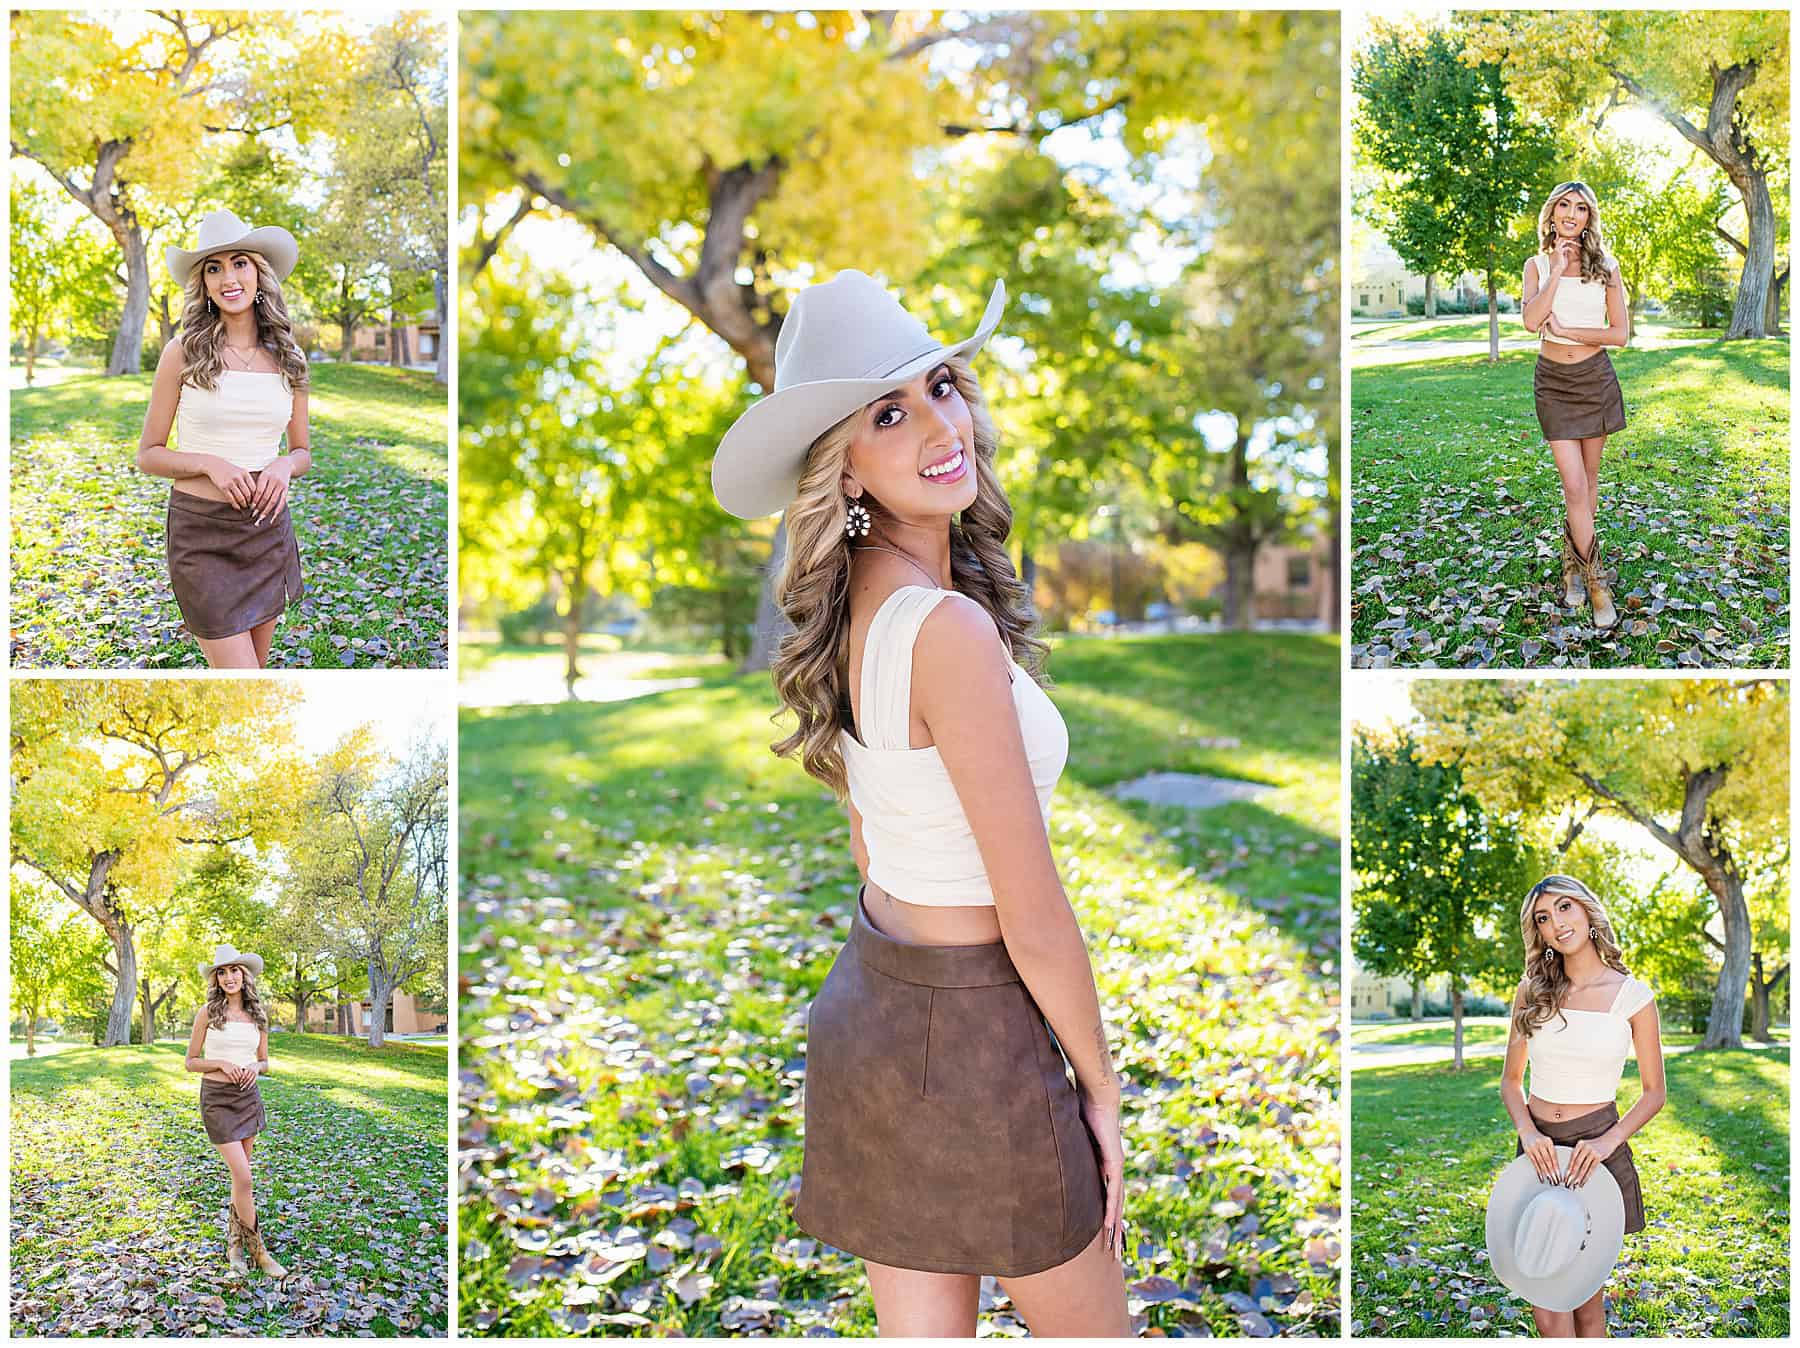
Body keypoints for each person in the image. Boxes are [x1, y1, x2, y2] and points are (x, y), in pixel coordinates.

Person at [711, 270, 1128, 1335]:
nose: (939, 425)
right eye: (887, 414)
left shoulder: (858, 615)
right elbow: (1029, 906)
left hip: (876, 1011)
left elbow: (869, 830)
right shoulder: (945, 632)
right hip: (982, 1029)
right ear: (841, 470)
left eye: (941, 386)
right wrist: (1101, 1087)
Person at [136, 210, 311, 668]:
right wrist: (209, 463)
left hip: (266, 529)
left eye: (239, 263)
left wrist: (283, 465)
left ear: (259, 273)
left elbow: (302, 451)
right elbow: (148, 454)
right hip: (202, 535)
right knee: (239, 675)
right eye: (213, 268)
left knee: (253, 674)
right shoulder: (182, 352)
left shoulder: (291, 359)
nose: (227, 278)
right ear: (204, 284)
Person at [1498, 875, 1665, 1337]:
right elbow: (1511, 1083)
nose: (1557, 923)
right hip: (1539, 1150)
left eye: (1565, 907)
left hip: (1596, 1148)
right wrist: (1529, 1133)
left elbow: (1654, 1092)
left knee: (1586, 1301)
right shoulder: (1532, 989)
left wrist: (1608, 1141)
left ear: (1589, 912)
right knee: (1548, 1304)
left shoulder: (1633, 996)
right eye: (1543, 918)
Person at [1519, 181, 1631, 630]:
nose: (1570, 214)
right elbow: (1531, 321)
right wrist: (1556, 268)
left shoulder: (1606, 266)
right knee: (1574, 487)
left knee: (1588, 483)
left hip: (1595, 379)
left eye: (1580, 208)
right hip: (1553, 384)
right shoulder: (1536, 265)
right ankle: (1597, 581)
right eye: (1563, 206)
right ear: (1551, 214)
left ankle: (1573, 569)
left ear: (1589, 218)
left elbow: (1619, 334)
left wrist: (1569, 330)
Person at [184, 943, 288, 1279]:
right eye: (223, 972)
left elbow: (265, 1061)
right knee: (244, 1175)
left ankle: (234, 1246)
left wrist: (256, 1069)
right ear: (216, 978)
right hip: (217, 1099)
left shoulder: (258, 1015)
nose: (229, 977)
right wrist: (222, 1064)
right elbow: (190, 1062)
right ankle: (259, 1251)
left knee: (239, 1180)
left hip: (248, 1098)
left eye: (234, 971)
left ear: (245, 975)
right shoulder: (208, 1013)